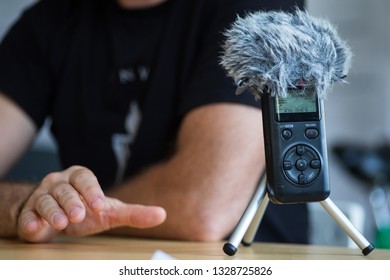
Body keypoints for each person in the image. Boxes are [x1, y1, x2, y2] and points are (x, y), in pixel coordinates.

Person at [0, 0, 307, 244]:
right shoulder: (47, 22)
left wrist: (76, 213)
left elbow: (202, 207)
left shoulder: (260, 11)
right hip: (97, 260)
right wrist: (26, 205)